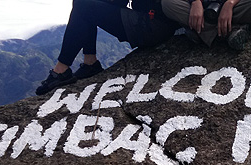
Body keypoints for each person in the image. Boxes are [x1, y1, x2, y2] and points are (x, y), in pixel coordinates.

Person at [36, 0, 180, 96]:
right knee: (85, 3)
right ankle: (89, 63)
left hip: (151, 26)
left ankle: (62, 70)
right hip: (149, 21)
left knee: (83, 5)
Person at [161, 0, 251, 50]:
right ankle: (230, 31)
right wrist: (195, 1)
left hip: (234, 9)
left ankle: (201, 32)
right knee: (168, 3)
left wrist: (230, 3)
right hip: (203, 10)